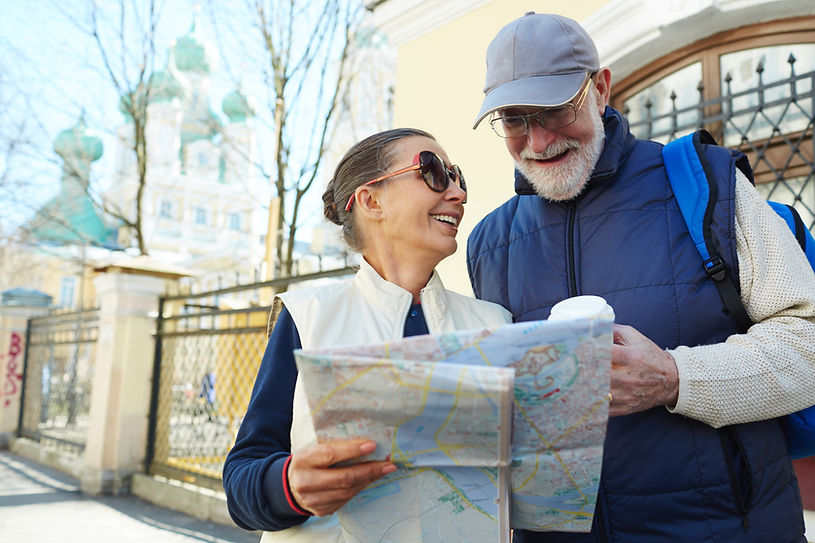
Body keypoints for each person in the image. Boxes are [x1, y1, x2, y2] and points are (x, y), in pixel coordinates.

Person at [467, 12, 815, 543]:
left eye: (554, 109)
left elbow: (809, 341)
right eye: (514, 119)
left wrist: (678, 378)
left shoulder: (709, 185)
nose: (537, 140)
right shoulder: (487, 244)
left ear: (600, 89)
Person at [222, 127, 512, 541]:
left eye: (458, 177)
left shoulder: (496, 326)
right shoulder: (307, 317)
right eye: (433, 172)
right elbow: (242, 481)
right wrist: (288, 486)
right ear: (371, 200)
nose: (458, 193)